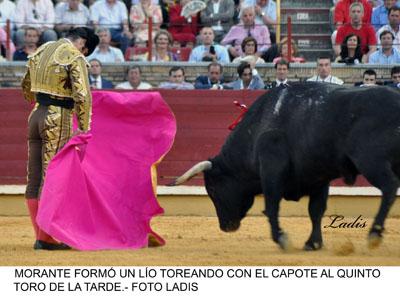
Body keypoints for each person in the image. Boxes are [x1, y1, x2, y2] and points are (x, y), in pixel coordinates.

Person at [21, 27, 99, 250]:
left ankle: (40, 235)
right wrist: (83, 129)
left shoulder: (41, 50)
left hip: (36, 114)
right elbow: (83, 96)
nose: (83, 54)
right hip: (58, 118)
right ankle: (45, 239)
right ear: (82, 45)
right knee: (51, 176)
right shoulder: (73, 56)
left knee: (34, 176)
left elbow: (26, 88)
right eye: (85, 51)